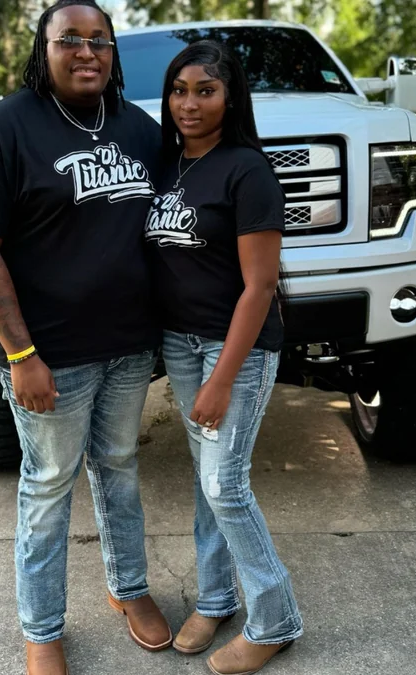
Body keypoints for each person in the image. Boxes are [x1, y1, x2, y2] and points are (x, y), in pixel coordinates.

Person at [0, 1, 170, 672]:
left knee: (120, 469)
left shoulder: (138, 129)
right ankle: (41, 627)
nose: (88, 51)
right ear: (43, 50)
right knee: (47, 486)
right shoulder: (5, 129)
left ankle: (129, 588)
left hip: (129, 348)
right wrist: (20, 354)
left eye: (100, 40)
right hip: (48, 355)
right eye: (71, 39)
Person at [146, 40, 303, 675]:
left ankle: (276, 617)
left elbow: (260, 286)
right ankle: (215, 598)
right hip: (180, 343)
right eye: (179, 90)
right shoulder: (165, 163)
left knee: (224, 482)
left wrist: (221, 378)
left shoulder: (248, 171)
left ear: (229, 96)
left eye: (205, 91)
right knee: (204, 475)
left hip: (233, 347)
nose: (189, 103)